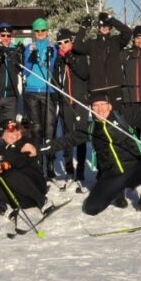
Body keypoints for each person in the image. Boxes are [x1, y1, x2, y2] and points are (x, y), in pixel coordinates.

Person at [42, 91, 141, 216]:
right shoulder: (91, 129)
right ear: (91, 108)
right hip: (112, 176)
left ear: (110, 106)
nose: (100, 109)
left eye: (103, 105)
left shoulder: (124, 117)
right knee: (91, 208)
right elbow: (66, 141)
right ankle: (117, 192)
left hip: (134, 170)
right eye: (95, 105)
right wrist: (40, 148)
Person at [0, 118, 47, 216]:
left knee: (10, 174)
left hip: (34, 186)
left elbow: (21, 160)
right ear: (3, 134)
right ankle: (6, 210)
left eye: (18, 129)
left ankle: (43, 201)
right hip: (18, 197)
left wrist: (5, 165)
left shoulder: (26, 142)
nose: (16, 133)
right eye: (11, 131)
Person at [52, 28, 90, 183]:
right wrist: (56, 95)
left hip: (80, 100)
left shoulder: (79, 55)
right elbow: (55, 78)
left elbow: (83, 73)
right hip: (66, 101)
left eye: (66, 42)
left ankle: (80, 169)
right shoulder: (59, 59)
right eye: (59, 43)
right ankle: (69, 167)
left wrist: (69, 57)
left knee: (80, 134)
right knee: (68, 134)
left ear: (71, 41)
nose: (63, 45)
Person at [22, 18, 57, 178]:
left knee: (49, 129)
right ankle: (37, 163)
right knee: (36, 129)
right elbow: (25, 71)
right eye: (37, 31)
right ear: (34, 32)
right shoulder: (29, 47)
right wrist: (30, 59)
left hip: (47, 90)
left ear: (47, 31)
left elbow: (50, 69)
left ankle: (50, 162)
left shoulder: (52, 48)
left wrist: (48, 59)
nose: (40, 33)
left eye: (43, 30)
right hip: (31, 91)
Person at [73, 11, 132, 104]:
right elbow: (77, 47)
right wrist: (83, 27)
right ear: (98, 27)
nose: (104, 27)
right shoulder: (91, 43)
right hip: (97, 88)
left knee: (117, 116)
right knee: (100, 118)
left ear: (110, 27)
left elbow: (128, 32)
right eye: (102, 25)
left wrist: (112, 20)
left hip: (115, 86)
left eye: (107, 25)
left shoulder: (116, 41)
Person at [0, 22, 21, 165]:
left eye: (8, 35)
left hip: (11, 97)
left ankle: (9, 160)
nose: (6, 38)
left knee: (10, 130)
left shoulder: (13, 52)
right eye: (3, 35)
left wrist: (19, 56)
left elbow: (20, 70)